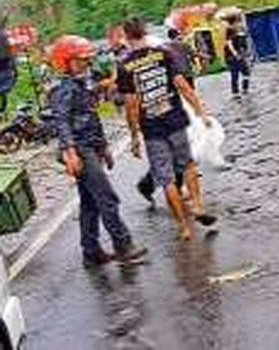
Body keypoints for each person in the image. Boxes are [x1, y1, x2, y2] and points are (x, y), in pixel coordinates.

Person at [48, 35, 147, 268]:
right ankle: (123, 246)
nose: (86, 63)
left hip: (89, 145)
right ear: (66, 61)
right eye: (80, 60)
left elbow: (91, 118)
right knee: (106, 197)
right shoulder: (61, 88)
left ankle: (91, 252)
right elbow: (61, 122)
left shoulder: (81, 83)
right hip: (80, 149)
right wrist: (70, 153)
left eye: (86, 59)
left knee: (90, 202)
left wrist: (103, 147)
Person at [118, 17, 217, 241]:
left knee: (166, 179)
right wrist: (200, 110)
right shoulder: (163, 53)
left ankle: (184, 227)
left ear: (126, 37)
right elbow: (182, 84)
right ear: (145, 31)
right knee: (188, 165)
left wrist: (134, 136)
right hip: (174, 119)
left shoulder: (124, 66)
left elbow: (131, 104)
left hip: (151, 128)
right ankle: (198, 206)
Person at [223, 14, 251, 98]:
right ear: (234, 22)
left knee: (246, 71)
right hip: (232, 56)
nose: (239, 23)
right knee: (234, 73)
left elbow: (246, 40)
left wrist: (247, 51)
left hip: (241, 54)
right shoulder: (229, 30)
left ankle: (245, 88)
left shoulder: (241, 29)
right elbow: (229, 42)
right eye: (238, 21)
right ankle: (235, 93)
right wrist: (234, 53)